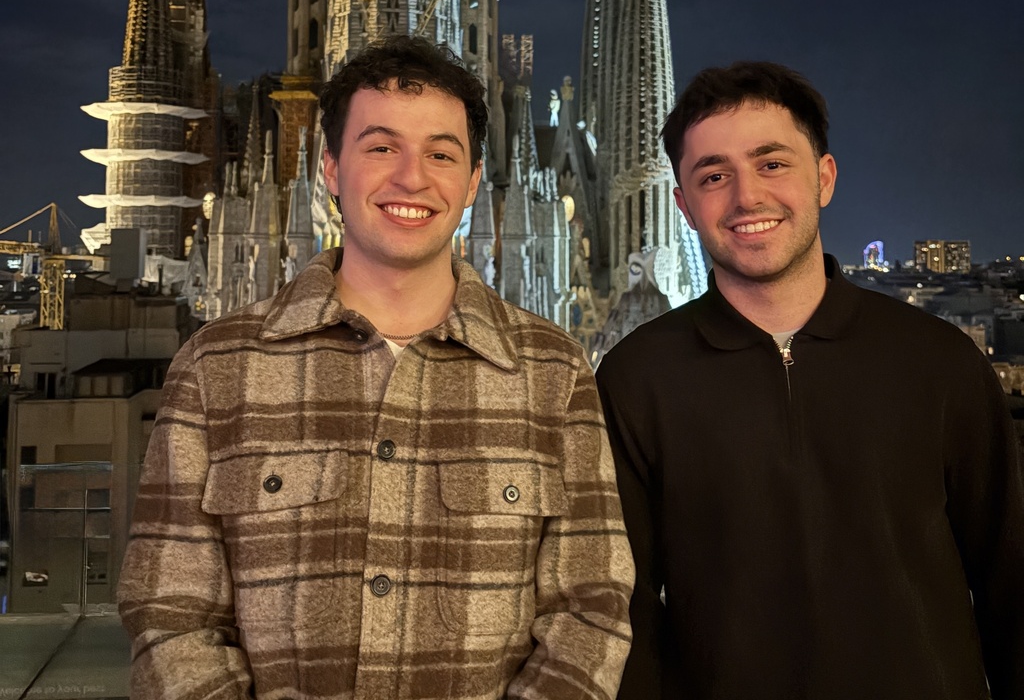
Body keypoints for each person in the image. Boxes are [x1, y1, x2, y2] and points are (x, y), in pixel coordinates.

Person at [119, 35, 633, 700]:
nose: (411, 177)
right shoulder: (216, 369)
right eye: (381, 147)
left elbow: (591, 611)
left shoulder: (554, 373)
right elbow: (169, 620)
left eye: (441, 153)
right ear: (329, 168)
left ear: (474, 180)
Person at [596, 60, 1024, 700]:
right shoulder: (637, 378)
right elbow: (622, 610)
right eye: (715, 176)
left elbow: (1011, 582)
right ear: (683, 205)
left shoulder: (937, 361)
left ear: (823, 177)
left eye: (773, 164)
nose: (747, 197)